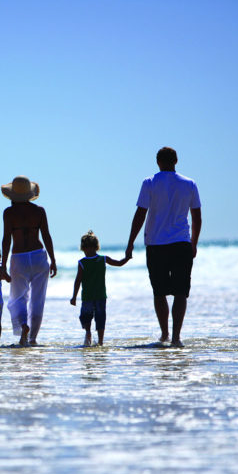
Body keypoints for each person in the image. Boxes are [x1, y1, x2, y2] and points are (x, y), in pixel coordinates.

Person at [125, 147, 202, 347]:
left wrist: (131, 242)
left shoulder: (150, 182)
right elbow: (196, 217)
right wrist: (193, 243)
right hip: (181, 243)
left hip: (156, 244)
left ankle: (165, 334)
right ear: (176, 160)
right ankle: (176, 337)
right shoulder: (189, 183)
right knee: (180, 292)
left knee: (159, 292)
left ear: (157, 162)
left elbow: (140, 214)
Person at [1, 176, 57, 347]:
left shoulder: (9, 213)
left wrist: (3, 265)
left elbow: (6, 240)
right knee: (38, 300)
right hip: (39, 256)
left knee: (17, 298)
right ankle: (32, 339)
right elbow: (46, 235)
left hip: (19, 257)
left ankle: (24, 326)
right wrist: (53, 259)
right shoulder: (39, 211)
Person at [70, 231, 130, 346]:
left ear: (94, 247)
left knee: (96, 317)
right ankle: (91, 336)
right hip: (93, 296)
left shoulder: (98, 260)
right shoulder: (86, 262)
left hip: (95, 296)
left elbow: (118, 263)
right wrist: (74, 296)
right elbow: (77, 281)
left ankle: (98, 340)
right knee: (93, 317)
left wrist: (127, 258)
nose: (88, 251)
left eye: (89, 248)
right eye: (86, 248)